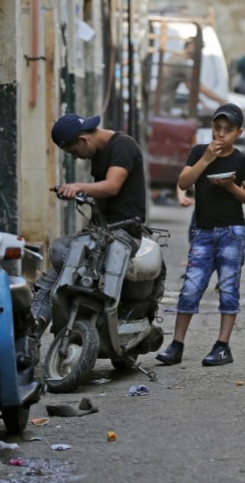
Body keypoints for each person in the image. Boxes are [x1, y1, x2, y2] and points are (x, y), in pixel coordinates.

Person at [156, 104, 245, 367]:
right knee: (191, 287)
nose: (221, 134)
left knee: (228, 287)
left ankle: (222, 346)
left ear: (239, 132)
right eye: (217, 128)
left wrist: (230, 186)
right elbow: (183, 182)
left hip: (232, 231)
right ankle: (176, 344)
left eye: (228, 130)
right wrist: (206, 160)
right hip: (202, 231)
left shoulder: (243, 160)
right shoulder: (199, 152)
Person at [31, 113, 148, 334]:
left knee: (63, 256)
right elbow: (102, 193)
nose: (76, 157)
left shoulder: (123, 146)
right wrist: (75, 194)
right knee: (56, 266)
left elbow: (112, 186)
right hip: (101, 232)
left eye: (74, 151)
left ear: (84, 139)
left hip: (123, 232)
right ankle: (32, 330)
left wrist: (78, 187)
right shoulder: (99, 152)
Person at [157, 38, 227, 114]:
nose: (200, 54)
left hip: (161, 99)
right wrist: (221, 100)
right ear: (192, 46)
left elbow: (191, 87)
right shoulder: (182, 63)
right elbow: (200, 88)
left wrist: (203, 104)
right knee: (192, 110)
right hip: (163, 101)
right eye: (199, 49)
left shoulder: (175, 58)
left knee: (192, 102)